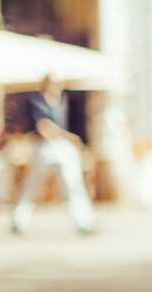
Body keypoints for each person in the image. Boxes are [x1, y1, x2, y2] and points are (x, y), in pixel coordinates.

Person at [11, 74, 95, 235]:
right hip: (45, 147)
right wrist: (68, 136)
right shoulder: (36, 101)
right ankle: (19, 219)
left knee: (73, 184)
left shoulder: (64, 100)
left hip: (63, 148)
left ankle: (84, 221)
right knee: (33, 184)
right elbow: (43, 127)